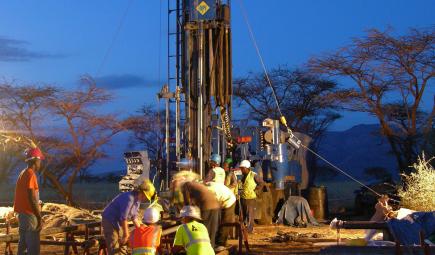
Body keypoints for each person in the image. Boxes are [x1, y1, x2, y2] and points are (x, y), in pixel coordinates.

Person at [102, 180, 156, 255]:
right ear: (141, 191)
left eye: (146, 198)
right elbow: (123, 218)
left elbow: (134, 217)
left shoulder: (137, 201)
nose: (144, 199)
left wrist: (141, 230)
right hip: (109, 220)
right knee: (114, 243)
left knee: (123, 243)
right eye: (145, 196)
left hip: (118, 222)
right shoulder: (129, 198)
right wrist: (126, 234)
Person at [172, 171, 220, 249]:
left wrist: (182, 215)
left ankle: (201, 249)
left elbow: (187, 203)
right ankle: (210, 250)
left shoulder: (185, 185)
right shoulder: (194, 185)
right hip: (215, 204)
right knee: (211, 231)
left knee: (205, 229)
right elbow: (193, 201)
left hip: (207, 206)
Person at [14, 147, 45, 255]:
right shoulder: (31, 174)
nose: (40, 162)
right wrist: (39, 217)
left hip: (22, 215)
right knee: (33, 249)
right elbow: (31, 197)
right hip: (30, 216)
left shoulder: (23, 173)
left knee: (22, 247)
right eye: (40, 160)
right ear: (35, 161)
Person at [205, 182, 237, 252]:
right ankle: (213, 242)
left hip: (229, 200)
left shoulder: (210, 193)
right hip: (220, 197)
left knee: (226, 222)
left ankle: (220, 244)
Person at [239, 159, 264, 233]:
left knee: (250, 214)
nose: (241, 170)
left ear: (246, 168)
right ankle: (244, 228)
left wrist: (256, 190)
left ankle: (249, 229)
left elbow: (261, 183)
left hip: (250, 198)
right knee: (243, 214)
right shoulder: (243, 176)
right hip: (243, 197)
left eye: (242, 168)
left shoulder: (253, 175)